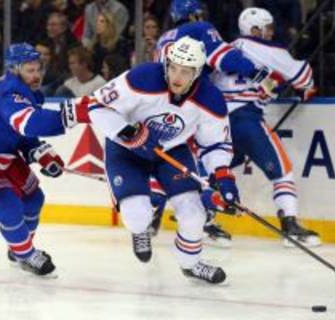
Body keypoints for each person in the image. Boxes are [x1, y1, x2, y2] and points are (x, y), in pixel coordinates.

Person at [79, 36, 239, 284]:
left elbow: (216, 143)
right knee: (137, 215)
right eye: (173, 68)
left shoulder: (211, 99)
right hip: (126, 149)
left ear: (197, 73)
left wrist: (223, 175)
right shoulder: (143, 77)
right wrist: (129, 134)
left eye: (185, 72)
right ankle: (140, 230)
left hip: (171, 151)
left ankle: (191, 264)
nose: (176, 76)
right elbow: (96, 106)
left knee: (194, 213)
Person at [0, 43, 90, 276]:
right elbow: (28, 123)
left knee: (34, 197)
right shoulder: (8, 93)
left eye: (38, 69)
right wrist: (74, 114)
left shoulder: (27, 92)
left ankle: (19, 248)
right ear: (14, 69)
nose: (36, 75)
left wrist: (39, 151)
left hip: (0, 150)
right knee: (7, 202)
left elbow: (20, 132)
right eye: (30, 70)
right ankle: (26, 255)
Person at [150, 0, 280, 246]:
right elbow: (226, 57)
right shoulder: (199, 30)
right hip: (190, 101)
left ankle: (157, 204)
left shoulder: (164, 37)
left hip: (163, 104)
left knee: (178, 159)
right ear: (195, 15)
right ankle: (204, 212)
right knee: (208, 156)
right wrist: (260, 75)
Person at [211, 7, 320, 247]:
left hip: (217, 122)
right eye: (268, 28)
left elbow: (257, 85)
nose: (271, 33)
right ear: (255, 30)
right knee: (282, 171)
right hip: (245, 119)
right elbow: (303, 77)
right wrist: (306, 87)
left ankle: (203, 219)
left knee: (216, 171)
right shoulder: (266, 48)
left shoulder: (225, 49)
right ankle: (290, 225)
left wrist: (274, 86)